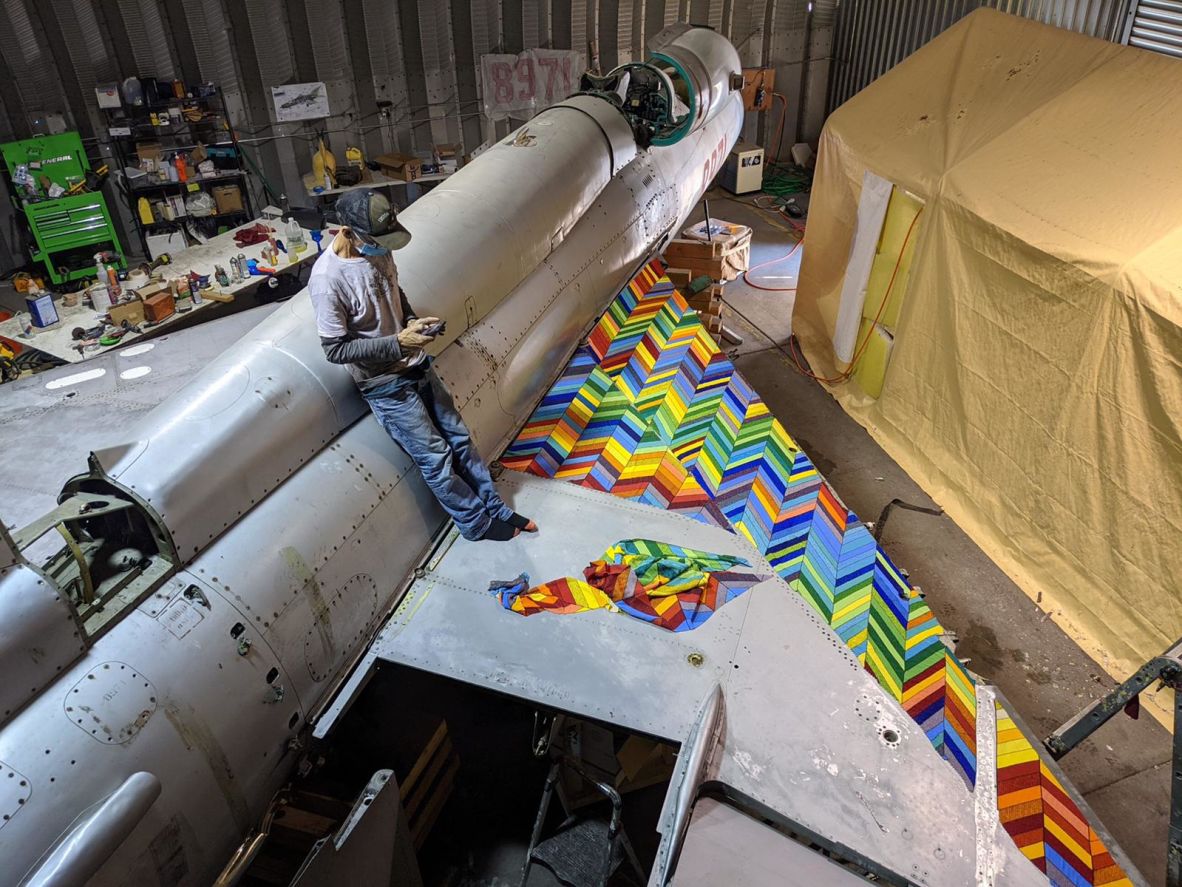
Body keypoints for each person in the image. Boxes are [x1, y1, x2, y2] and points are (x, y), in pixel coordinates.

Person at [308, 189, 536, 542]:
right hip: (384, 385)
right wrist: (397, 343)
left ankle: (495, 507)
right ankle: (475, 524)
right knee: (436, 458)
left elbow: (394, 292)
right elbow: (336, 350)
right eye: (377, 241)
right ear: (347, 232)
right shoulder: (328, 281)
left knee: (460, 440)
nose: (384, 249)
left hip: (416, 363)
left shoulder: (379, 250)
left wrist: (414, 323)